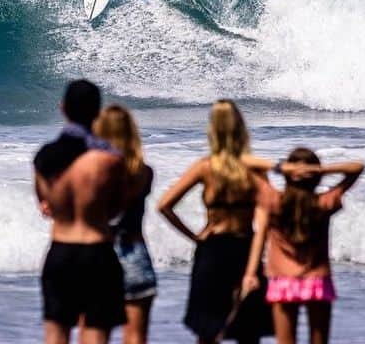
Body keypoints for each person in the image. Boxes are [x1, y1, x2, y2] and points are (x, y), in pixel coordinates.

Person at [156, 99, 273, 343]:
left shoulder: (205, 167)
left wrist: (195, 237)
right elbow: (264, 224)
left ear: (213, 130)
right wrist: (252, 270)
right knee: (248, 332)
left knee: (207, 331)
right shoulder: (254, 171)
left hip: (212, 250)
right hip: (244, 248)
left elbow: (164, 205)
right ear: (240, 128)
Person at [34, 80, 128, 344]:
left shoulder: (44, 158)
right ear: (98, 112)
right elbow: (117, 210)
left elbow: (45, 206)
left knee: (55, 336)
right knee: (96, 335)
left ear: (63, 108)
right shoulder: (110, 160)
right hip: (97, 252)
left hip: (60, 252)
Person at [252, 148, 364, 344]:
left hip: (283, 280)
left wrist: (282, 168)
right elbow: (357, 168)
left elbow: (247, 165)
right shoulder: (324, 202)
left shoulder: (274, 201)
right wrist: (318, 169)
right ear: (315, 178)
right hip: (317, 280)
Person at [93, 105, 157, 344]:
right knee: (136, 336)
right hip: (135, 253)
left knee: (96, 334)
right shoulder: (145, 173)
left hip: (100, 253)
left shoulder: (93, 174)